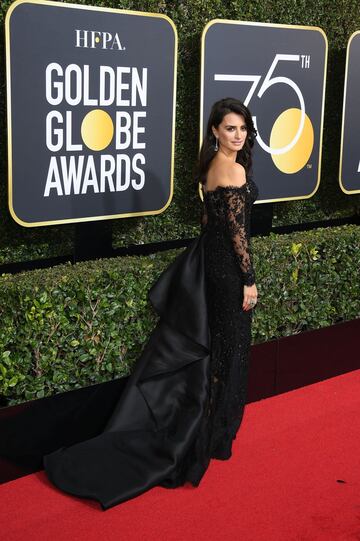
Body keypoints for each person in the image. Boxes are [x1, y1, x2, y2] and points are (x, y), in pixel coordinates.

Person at [44, 97, 259, 510]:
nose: (238, 135)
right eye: (230, 128)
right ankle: (210, 437)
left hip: (212, 265)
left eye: (243, 128)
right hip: (229, 269)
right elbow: (236, 233)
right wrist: (248, 279)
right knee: (230, 350)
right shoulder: (231, 168)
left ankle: (207, 429)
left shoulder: (214, 166)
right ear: (214, 130)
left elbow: (208, 222)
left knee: (217, 350)